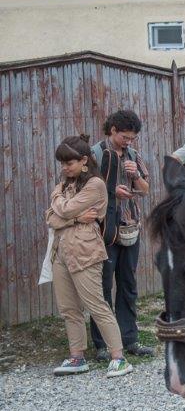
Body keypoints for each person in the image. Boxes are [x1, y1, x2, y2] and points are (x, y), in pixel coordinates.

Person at [49, 135, 133, 378]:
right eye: (62, 164)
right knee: (68, 309)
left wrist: (58, 201)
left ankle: (118, 357)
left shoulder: (95, 184)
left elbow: (62, 209)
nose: (64, 168)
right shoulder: (65, 185)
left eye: (69, 163)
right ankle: (77, 357)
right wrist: (72, 216)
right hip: (61, 251)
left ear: (84, 160)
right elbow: (50, 218)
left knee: (96, 304)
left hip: (85, 251)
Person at [90, 110, 152, 361]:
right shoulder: (94, 154)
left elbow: (145, 190)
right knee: (102, 287)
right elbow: (84, 190)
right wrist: (111, 191)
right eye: (125, 137)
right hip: (103, 230)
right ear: (112, 129)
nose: (128, 142)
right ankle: (102, 343)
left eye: (132, 138)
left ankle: (130, 340)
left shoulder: (134, 155)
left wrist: (135, 175)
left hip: (130, 228)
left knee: (128, 285)